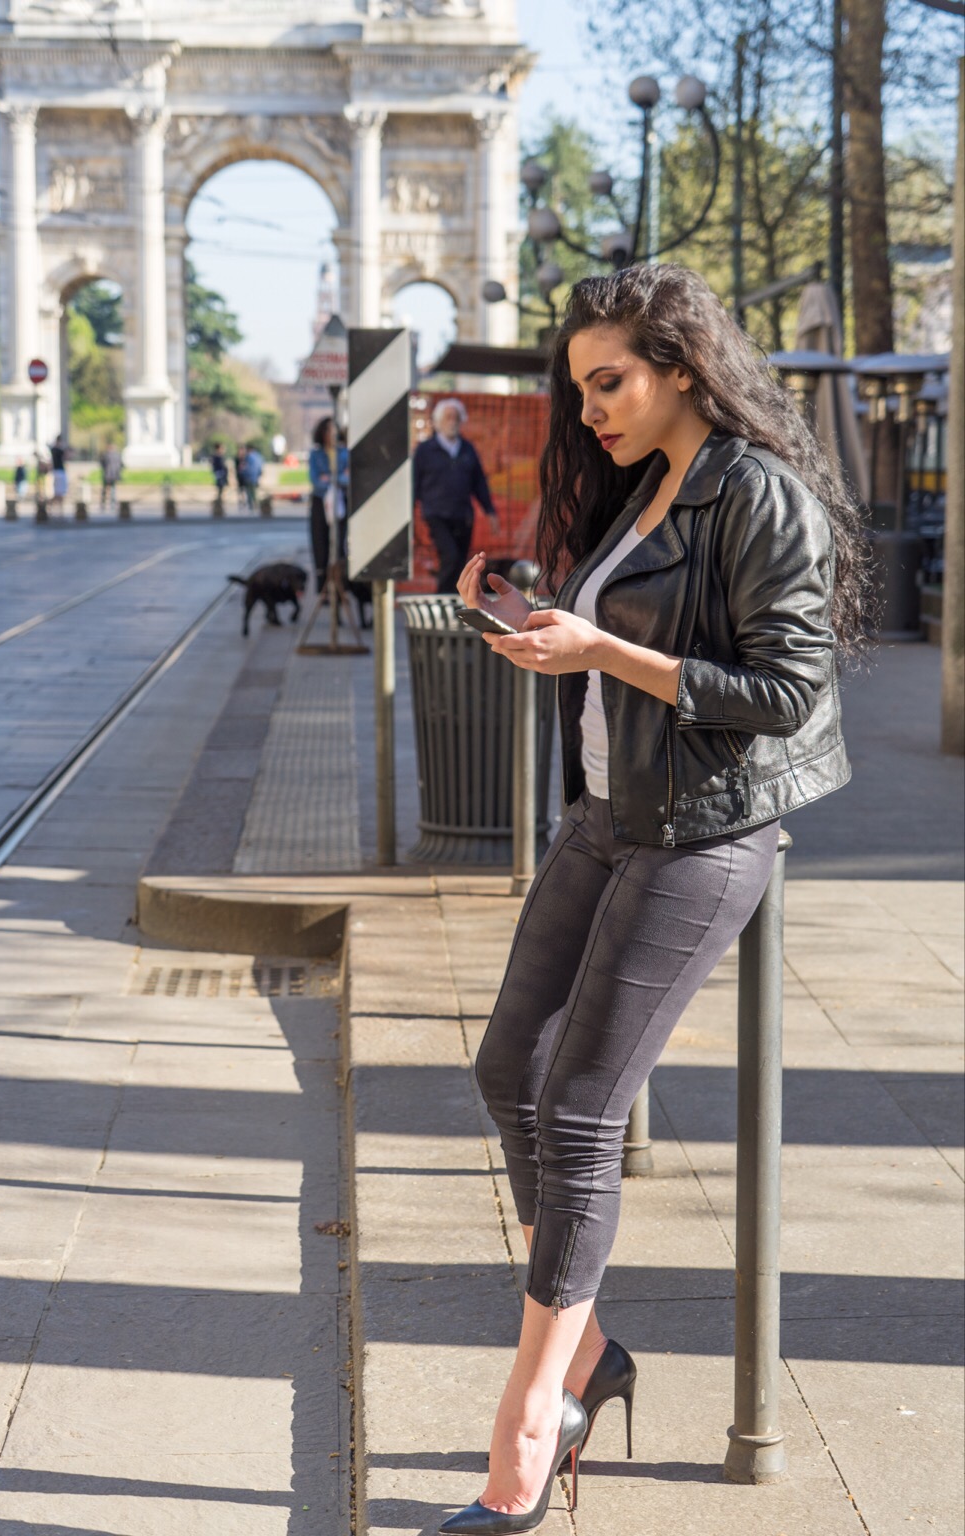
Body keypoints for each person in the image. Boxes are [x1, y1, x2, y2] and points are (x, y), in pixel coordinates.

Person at [442, 264, 868, 1534]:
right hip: (603, 813)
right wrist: (533, 621)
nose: (591, 412)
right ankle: (592, 1353)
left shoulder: (759, 492)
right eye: (580, 390)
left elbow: (788, 691)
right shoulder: (647, 488)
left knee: (578, 1106)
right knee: (505, 1067)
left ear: (682, 364)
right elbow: (616, 646)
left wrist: (601, 648)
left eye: (609, 381)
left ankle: (533, 1412)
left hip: (700, 830)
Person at [412, 398, 500, 592]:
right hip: (436, 514)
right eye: (448, 417)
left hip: (463, 515)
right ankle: (440, 597)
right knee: (450, 555)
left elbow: (479, 483)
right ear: (438, 421)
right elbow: (414, 484)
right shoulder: (425, 450)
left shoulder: (467, 449)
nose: (452, 421)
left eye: (456, 417)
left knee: (459, 560)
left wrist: (490, 511)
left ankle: (453, 603)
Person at [308, 416, 349, 591]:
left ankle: (340, 582)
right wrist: (336, 479)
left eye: (333, 430)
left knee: (339, 542)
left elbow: (347, 478)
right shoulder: (316, 454)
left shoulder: (344, 453)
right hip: (321, 501)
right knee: (320, 541)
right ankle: (322, 583)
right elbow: (315, 480)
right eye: (327, 430)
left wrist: (331, 478)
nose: (331, 434)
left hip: (339, 500)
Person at [239, 441, 263, 511]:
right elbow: (260, 467)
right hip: (255, 476)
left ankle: (252, 505)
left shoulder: (248, 457)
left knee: (249, 491)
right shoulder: (258, 456)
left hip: (249, 476)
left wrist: (242, 473)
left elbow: (245, 467)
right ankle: (255, 504)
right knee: (254, 491)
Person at [99, 441, 122, 512]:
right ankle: (112, 504)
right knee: (113, 490)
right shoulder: (117, 455)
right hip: (114, 475)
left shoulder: (105, 455)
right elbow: (121, 465)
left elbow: (102, 463)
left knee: (105, 490)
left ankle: (103, 504)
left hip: (107, 474)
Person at [49, 434, 69, 514]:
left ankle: (60, 510)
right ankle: (56, 509)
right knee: (59, 493)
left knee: (60, 493)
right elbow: (66, 456)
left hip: (58, 471)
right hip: (59, 472)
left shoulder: (54, 449)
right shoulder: (57, 450)